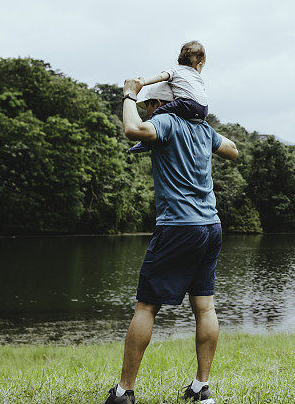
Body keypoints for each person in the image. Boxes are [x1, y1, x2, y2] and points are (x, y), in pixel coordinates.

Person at [102, 77, 238, 404]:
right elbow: (233, 150)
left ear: (159, 104)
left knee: (147, 306)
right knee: (204, 306)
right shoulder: (202, 130)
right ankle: (200, 388)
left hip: (178, 227)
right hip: (210, 226)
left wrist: (129, 96)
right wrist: (204, 131)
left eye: (149, 105)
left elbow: (133, 130)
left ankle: (123, 392)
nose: (147, 111)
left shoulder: (165, 121)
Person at [129, 40, 210, 154]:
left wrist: (142, 82)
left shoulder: (175, 70)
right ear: (199, 65)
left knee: (157, 114)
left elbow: (161, 76)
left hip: (186, 103)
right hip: (203, 110)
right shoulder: (197, 76)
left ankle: (145, 142)